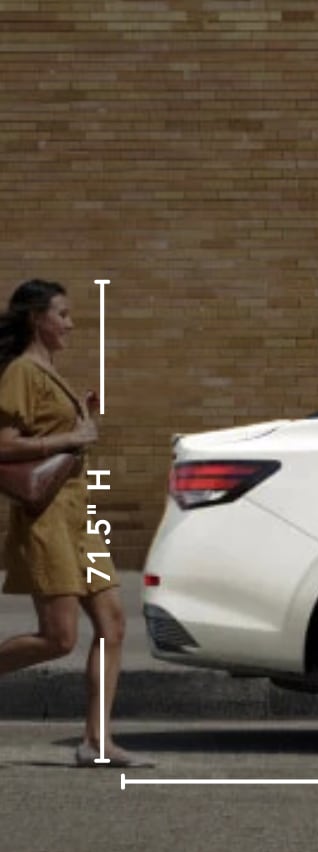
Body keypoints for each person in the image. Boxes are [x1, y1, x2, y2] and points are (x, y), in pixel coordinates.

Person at [0, 279, 146, 767]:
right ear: (35, 318)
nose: (70, 323)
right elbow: (3, 443)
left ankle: (96, 741)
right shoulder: (21, 371)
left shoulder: (49, 371)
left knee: (114, 623)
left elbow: (61, 433)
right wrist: (68, 438)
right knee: (58, 637)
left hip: (79, 517)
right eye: (61, 314)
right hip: (46, 520)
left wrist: (80, 417)